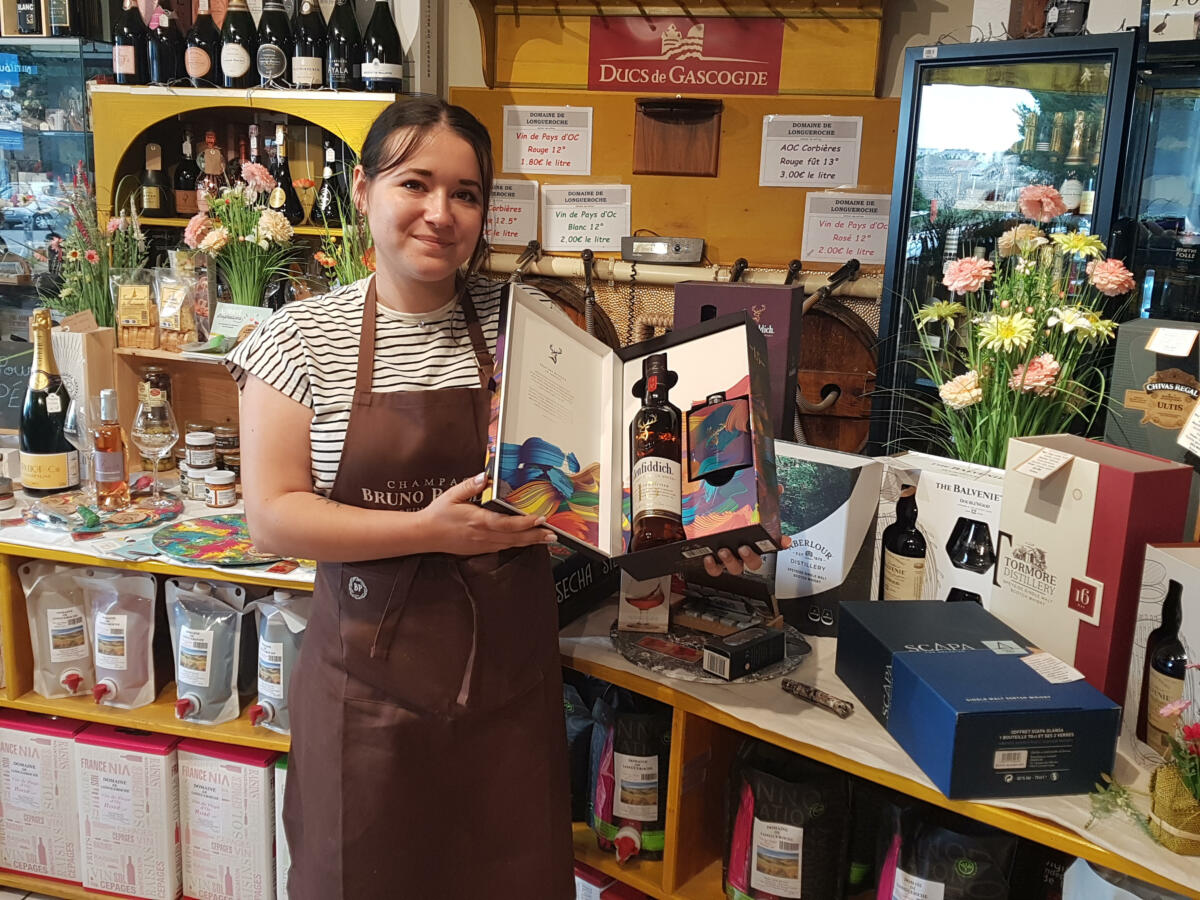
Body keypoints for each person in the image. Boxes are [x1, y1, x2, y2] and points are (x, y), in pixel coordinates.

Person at [227, 98, 769, 898]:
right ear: (365, 190)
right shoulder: (298, 339)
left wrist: (700, 527)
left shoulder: (533, 332)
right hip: (367, 701)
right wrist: (427, 529)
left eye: (467, 193)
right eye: (415, 183)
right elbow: (273, 514)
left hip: (508, 694)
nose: (441, 214)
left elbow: (598, 486)